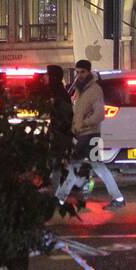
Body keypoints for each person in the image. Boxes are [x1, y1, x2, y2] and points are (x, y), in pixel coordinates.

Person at [56, 60, 124, 209]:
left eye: (82, 72)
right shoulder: (81, 90)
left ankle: (60, 198)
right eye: (77, 72)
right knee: (92, 166)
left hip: (90, 135)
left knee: (78, 165)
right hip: (83, 134)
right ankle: (117, 198)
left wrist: (82, 124)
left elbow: (99, 114)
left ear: (88, 72)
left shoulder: (94, 90)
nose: (79, 75)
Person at [44, 64, 73, 167]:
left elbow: (64, 115)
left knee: (56, 165)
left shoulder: (58, 94)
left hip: (59, 135)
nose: (45, 76)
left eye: (47, 74)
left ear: (53, 77)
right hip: (58, 133)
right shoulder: (54, 91)